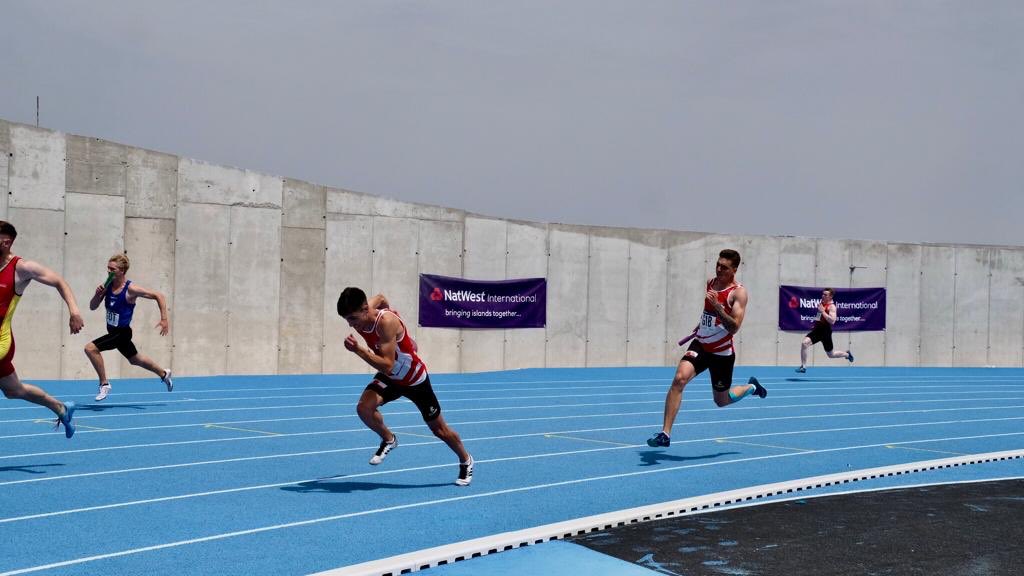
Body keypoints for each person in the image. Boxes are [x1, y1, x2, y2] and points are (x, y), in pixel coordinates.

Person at [337, 287, 474, 486]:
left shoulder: (385, 322)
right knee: (363, 408)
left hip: (414, 379)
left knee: (440, 430)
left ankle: (466, 459)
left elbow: (387, 364)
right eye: (347, 320)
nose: (351, 324)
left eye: (353, 318)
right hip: (391, 378)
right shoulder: (368, 310)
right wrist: (404, 338)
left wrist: (359, 349)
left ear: (365, 309)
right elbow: (382, 297)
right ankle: (389, 439)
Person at [648, 249, 767, 448]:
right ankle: (665, 434)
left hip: (721, 353)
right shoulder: (711, 283)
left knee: (721, 400)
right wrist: (702, 325)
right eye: (718, 265)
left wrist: (718, 307)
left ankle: (752, 387)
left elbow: (734, 327)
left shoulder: (738, 293)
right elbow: (708, 312)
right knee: (679, 379)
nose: (719, 269)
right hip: (701, 344)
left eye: (725, 267)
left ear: (734, 270)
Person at [0, 221, 82, 438]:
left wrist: (74, 311)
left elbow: (59, 281)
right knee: (14, 390)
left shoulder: (21, 268)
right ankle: (61, 408)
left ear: (5, 241)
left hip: (1, 341)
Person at [84, 253, 173, 401]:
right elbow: (92, 307)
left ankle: (104, 384)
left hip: (122, 333)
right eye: (108, 268)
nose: (108, 271)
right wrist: (97, 295)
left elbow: (159, 296)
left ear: (122, 271)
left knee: (90, 348)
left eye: (112, 269)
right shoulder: (107, 286)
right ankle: (164, 374)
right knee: (135, 359)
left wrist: (164, 319)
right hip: (112, 331)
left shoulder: (131, 289)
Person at [795, 287, 854, 373]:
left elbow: (832, 321)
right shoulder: (821, 303)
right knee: (804, 343)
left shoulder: (832, 307)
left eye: (825, 295)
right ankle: (803, 366)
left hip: (825, 332)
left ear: (831, 296)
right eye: (822, 294)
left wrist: (823, 312)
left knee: (831, 354)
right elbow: (818, 316)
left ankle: (847, 354)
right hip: (817, 330)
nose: (823, 296)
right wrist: (815, 325)